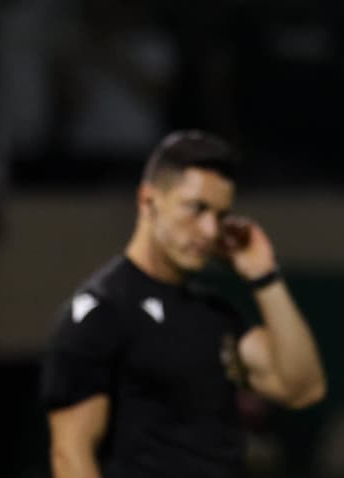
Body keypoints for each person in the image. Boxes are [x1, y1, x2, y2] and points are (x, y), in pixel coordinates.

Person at [38, 129, 326, 478]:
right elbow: (70, 455)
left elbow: (303, 388)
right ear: (148, 201)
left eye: (220, 215)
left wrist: (263, 276)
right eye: (196, 208)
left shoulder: (214, 313)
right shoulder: (101, 311)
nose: (209, 229)